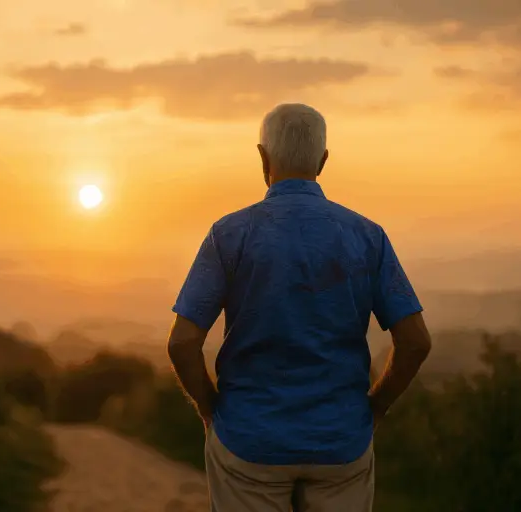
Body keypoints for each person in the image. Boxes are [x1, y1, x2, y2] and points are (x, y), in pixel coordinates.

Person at [167, 103, 432, 512]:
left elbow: (183, 342)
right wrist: (374, 409)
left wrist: (210, 410)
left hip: (248, 442)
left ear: (262, 157)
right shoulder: (367, 236)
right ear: (323, 162)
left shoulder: (229, 234)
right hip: (341, 444)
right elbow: (414, 341)